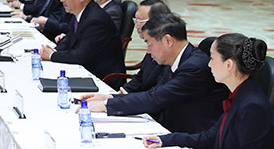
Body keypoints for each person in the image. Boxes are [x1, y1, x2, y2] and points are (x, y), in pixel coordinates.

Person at [143, 34, 274, 149]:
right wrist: (166, 140)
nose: (209, 64)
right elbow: (210, 137)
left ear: (228, 65)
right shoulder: (239, 94)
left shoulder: (252, 106)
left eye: (212, 58)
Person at [82, 13, 228, 134]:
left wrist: (106, 104)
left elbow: (155, 99)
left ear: (168, 41)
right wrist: (109, 97)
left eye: (149, 44)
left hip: (193, 137)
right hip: (171, 127)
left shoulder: (194, 67)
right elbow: (155, 93)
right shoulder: (177, 60)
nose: (148, 50)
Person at [38, 0, 123, 80]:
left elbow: (81, 56)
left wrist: (51, 55)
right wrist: (53, 51)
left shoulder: (95, 20)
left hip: (102, 78)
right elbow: (69, 41)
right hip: (85, 70)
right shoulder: (81, 13)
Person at [119, 0, 171, 94]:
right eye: (136, 20)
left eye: (140, 21)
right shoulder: (152, 44)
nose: (136, 26)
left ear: (156, 21)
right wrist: (122, 92)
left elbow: (157, 92)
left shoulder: (169, 51)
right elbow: (140, 77)